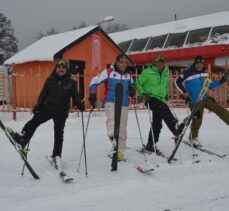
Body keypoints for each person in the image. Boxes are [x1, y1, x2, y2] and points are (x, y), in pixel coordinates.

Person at [13, 59, 85, 163]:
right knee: (35, 121)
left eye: (63, 67)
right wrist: (38, 106)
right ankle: (23, 139)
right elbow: (43, 95)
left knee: (59, 134)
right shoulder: (50, 80)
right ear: (56, 68)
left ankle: (56, 156)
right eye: (59, 67)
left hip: (62, 110)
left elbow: (76, 96)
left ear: (66, 69)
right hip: (49, 108)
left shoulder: (71, 82)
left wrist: (80, 104)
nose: (61, 69)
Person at [175, 55, 229, 147]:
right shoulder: (188, 72)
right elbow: (177, 82)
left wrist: (223, 80)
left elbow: (209, 85)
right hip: (194, 101)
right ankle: (193, 138)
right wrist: (184, 92)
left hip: (204, 98)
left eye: (201, 63)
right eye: (198, 63)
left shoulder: (205, 73)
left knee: (219, 109)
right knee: (198, 120)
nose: (199, 65)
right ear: (195, 63)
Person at [89, 54, 135, 161]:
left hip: (123, 103)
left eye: (125, 63)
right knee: (113, 122)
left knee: (123, 127)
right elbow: (94, 81)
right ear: (117, 62)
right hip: (111, 101)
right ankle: (113, 140)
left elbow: (132, 85)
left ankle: (120, 151)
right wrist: (92, 93)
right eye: (121, 62)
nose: (123, 65)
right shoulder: (108, 72)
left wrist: (132, 89)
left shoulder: (128, 75)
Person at [135, 55, 185, 154]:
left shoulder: (165, 74)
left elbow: (165, 86)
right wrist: (143, 93)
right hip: (150, 98)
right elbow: (138, 82)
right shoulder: (148, 72)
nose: (160, 64)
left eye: (162, 62)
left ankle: (150, 144)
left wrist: (165, 95)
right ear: (155, 63)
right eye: (158, 62)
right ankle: (176, 128)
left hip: (161, 99)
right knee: (164, 110)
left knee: (157, 123)